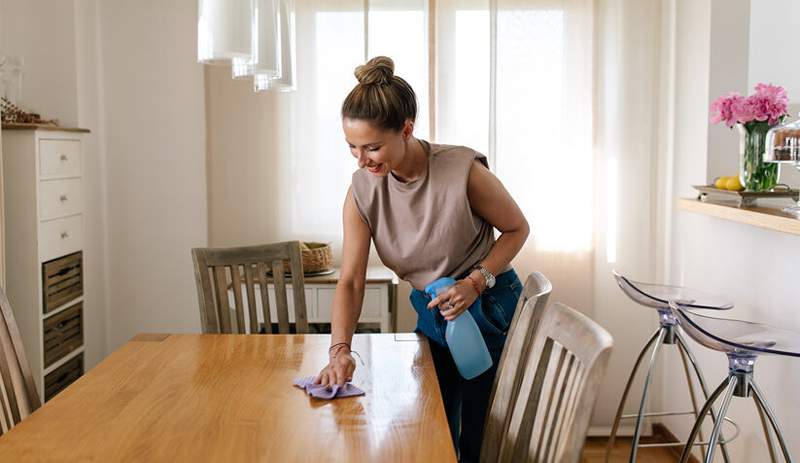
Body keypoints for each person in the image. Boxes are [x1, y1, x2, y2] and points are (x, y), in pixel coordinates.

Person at [314, 55, 529, 462]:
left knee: (480, 441)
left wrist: (475, 282)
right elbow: (351, 281)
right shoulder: (363, 190)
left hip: (488, 306)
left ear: (407, 129)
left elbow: (517, 228)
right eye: (352, 148)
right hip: (432, 314)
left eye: (372, 147)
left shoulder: (460, 169)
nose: (362, 161)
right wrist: (339, 350)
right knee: (435, 431)